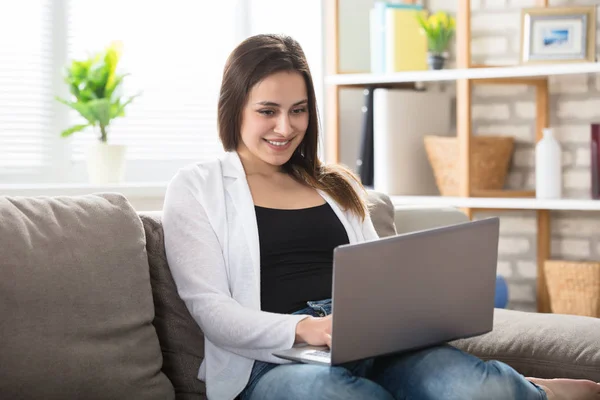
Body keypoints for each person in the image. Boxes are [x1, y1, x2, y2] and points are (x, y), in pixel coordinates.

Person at [162, 34, 600, 400]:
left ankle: (534, 392)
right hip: (270, 361)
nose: (285, 127)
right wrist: (308, 328)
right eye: (267, 111)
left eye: (298, 109)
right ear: (235, 105)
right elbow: (212, 310)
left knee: (478, 391)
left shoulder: (333, 184)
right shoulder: (197, 187)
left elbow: (379, 275)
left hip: (370, 338)